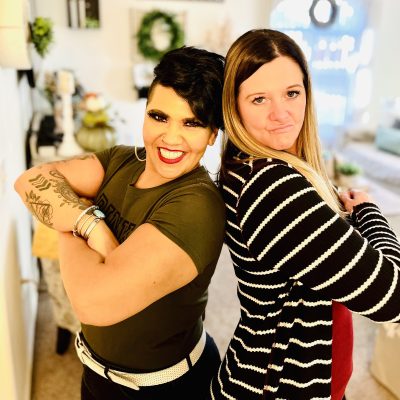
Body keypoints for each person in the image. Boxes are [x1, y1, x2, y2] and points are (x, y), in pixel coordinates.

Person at [15, 46, 226, 400]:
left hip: (163, 389)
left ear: (212, 134)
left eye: (192, 123)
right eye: (159, 117)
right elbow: (30, 180)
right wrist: (90, 224)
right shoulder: (121, 159)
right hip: (97, 375)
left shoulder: (197, 206)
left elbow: (91, 303)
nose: (171, 138)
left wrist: (72, 213)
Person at [210, 29, 400, 400]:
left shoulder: (267, 169)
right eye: (259, 98)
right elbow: (392, 297)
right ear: (233, 105)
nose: (281, 113)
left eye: (292, 93)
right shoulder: (272, 190)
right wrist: (370, 213)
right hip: (278, 384)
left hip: (309, 375)